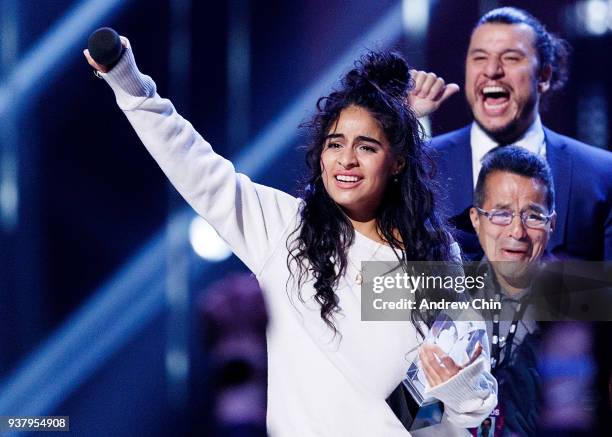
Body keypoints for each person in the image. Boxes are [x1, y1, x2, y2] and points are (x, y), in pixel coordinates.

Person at [84, 38, 497, 436]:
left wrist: (446, 393)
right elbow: (195, 165)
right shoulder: (286, 230)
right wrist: (130, 84)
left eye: (367, 147)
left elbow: (461, 398)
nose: (346, 159)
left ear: (398, 163)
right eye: (335, 144)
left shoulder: (433, 255)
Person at [429, 6, 612, 261]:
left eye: (511, 58)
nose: (492, 70)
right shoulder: (421, 164)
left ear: (544, 75)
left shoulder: (602, 175)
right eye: (479, 57)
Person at [468, 146, 555, 435]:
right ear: (476, 220)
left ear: (551, 224)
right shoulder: (438, 296)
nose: (517, 231)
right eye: (501, 214)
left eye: (533, 216)